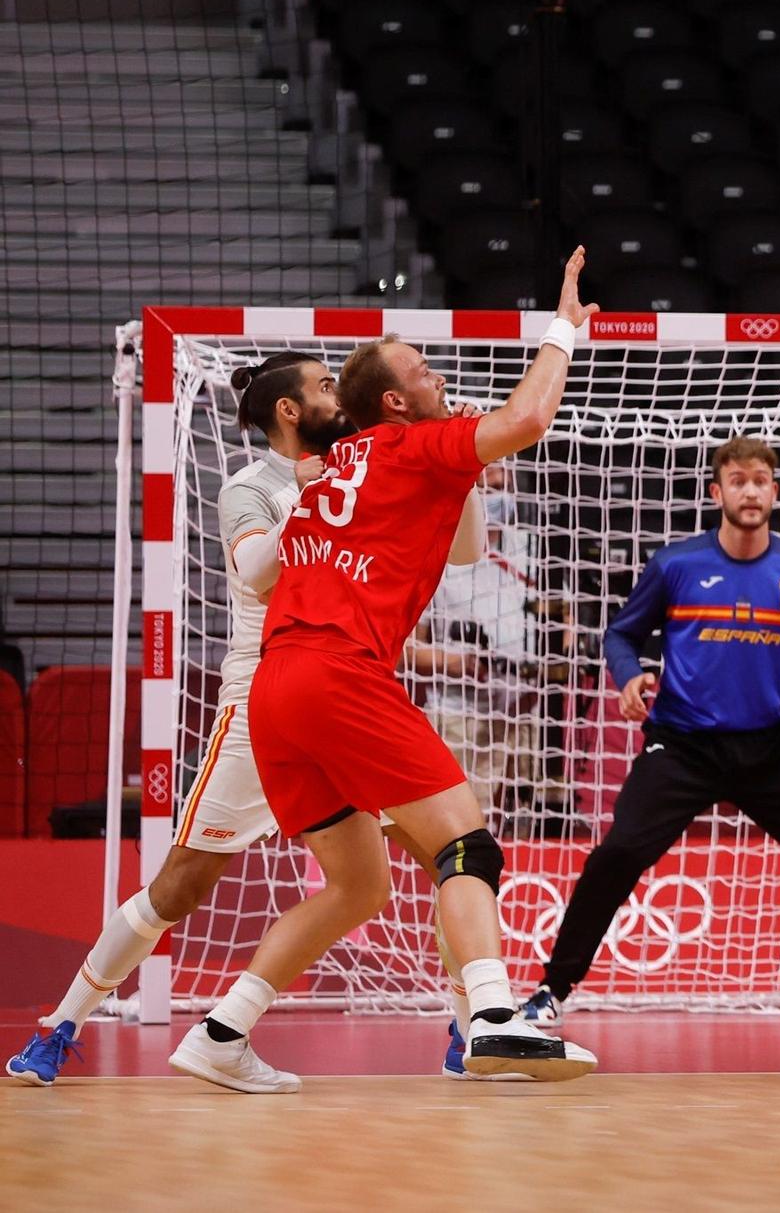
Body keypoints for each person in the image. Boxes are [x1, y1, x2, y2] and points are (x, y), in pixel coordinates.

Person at [165, 247, 602, 1090]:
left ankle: (221, 1032)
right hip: (338, 673)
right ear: (396, 401)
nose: (441, 376)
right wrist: (563, 329)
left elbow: (467, 544)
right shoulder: (410, 450)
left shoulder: (344, 464)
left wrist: (465, 464)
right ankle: (495, 1019)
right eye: (426, 369)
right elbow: (527, 420)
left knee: (360, 884)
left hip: (276, 687)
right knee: (467, 845)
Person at [517, 436, 780, 1025]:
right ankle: (552, 992)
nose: (750, 490)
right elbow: (620, 636)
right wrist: (628, 676)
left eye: (760, 480)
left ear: (774, 490)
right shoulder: (676, 566)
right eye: (738, 480)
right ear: (717, 492)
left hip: (770, 747)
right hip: (683, 743)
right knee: (616, 855)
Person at [9, 355, 351, 1085]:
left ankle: (471, 1021)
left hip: (348, 695)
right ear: (288, 409)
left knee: (444, 846)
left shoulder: (352, 476)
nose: (338, 394)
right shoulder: (249, 487)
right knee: (181, 886)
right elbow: (256, 570)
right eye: (325, 385)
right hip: (265, 699)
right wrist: (309, 501)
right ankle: (60, 1024)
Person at [407, 463, 546, 822]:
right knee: (462, 826)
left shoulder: (534, 548)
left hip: (525, 710)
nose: (497, 484)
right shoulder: (433, 552)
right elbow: (401, 653)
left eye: (502, 476)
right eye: (485, 478)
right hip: (460, 716)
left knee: (522, 824)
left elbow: (562, 622)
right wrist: (456, 663)